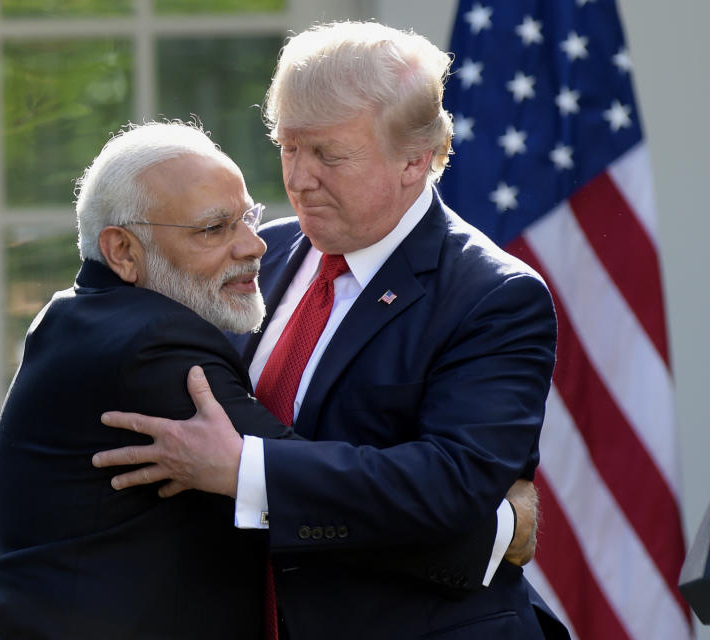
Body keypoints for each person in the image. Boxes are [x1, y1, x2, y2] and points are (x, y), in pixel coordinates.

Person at [0, 120, 535, 639]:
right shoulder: (153, 346)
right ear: (123, 252)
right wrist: (490, 532)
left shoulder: (77, 313)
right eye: (214, 230)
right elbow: (276, 475)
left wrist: (43, 526)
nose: (254, 247)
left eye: (248, 217)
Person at [90, 21, 567, 639]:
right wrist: (47, 514)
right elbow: (162, 415)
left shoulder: (494, 296)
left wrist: (247, 470)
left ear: (414, 160)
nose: (299, 177)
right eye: (288, 147)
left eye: (329, 154)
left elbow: (450, 486)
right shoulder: (260, 252)